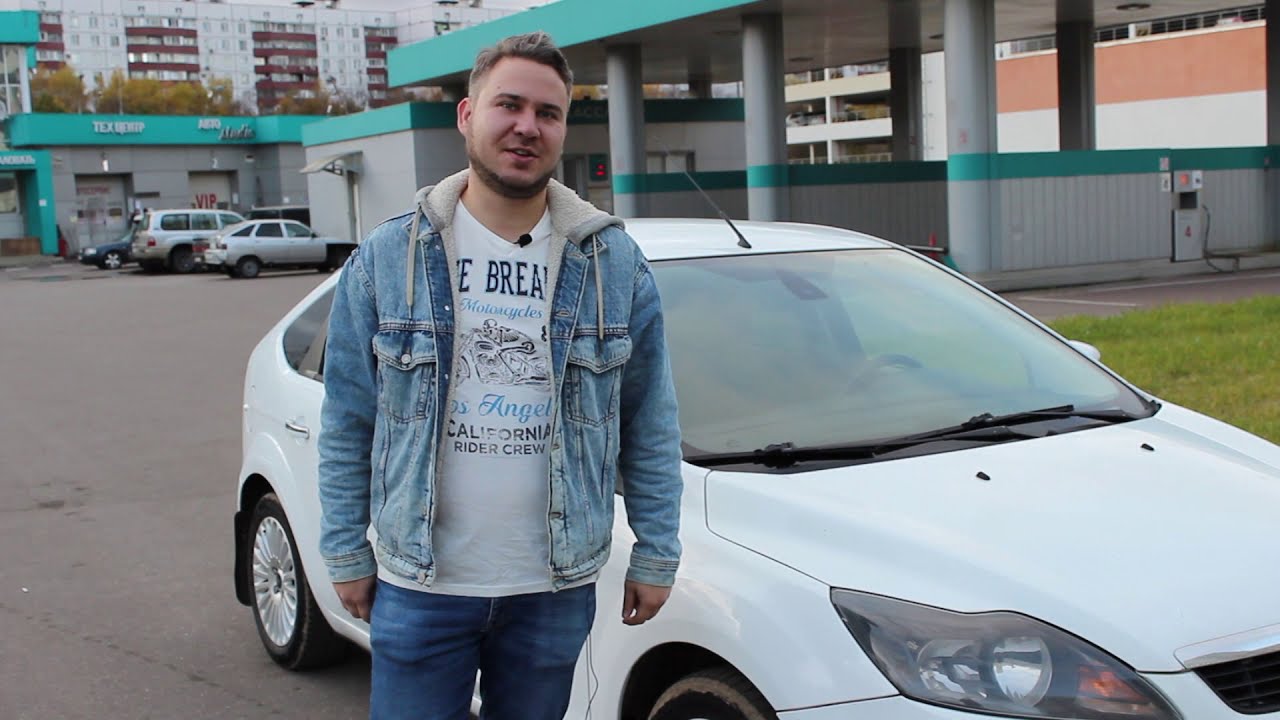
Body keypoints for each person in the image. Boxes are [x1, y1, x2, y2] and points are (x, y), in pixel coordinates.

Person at [317, 31, 684, 720]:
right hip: (421, 584)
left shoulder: (613, 264)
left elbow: (649, 420)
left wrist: (656, 553)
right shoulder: (392, 255)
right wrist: (344, 551)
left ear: (563, 130)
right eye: (508, 105)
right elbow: (347, 419)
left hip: (552, 588)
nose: (527, 126)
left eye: (548, 113)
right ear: (467, 115)